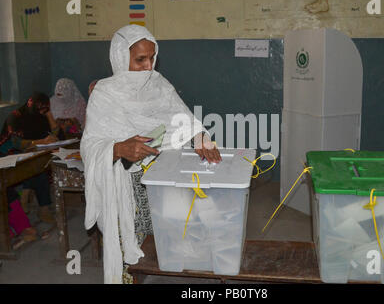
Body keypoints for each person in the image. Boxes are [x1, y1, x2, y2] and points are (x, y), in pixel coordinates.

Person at [81, 24, 221, 284]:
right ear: (121, 58)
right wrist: (117, 148)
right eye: (140, 60)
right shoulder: (104, 93)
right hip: (128, 188)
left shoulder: (159, 84)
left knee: (170, 246)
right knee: (133, 252)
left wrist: (201, 137)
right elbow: (90, 145)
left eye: (152, 58)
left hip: (163, 179)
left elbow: (184, 120)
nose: (148, 66)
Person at [0, 92, 61, 224]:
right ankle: (41, 206)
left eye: (45, 109)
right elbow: (16, 143)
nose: (42, 112)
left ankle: (32, 198)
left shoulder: (40, 116)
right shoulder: (15, 117)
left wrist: (49, 116)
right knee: (35, 165)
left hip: (31, 150)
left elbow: (57, 135)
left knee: (40, 163)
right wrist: (41, 142)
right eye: (41, 109)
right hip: (9, 152)